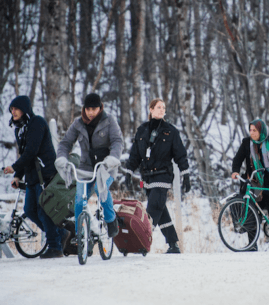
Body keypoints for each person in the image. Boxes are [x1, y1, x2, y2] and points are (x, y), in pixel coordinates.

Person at [3, 95, 69, 258]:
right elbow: (25, 154)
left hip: (45, 175)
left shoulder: (37, 123)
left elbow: (32, 151)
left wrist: (14, 167)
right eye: (11, 109)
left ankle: (55, 247)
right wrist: (18, 176)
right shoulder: (20, 129)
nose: (13, 112)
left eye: (16, 108)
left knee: (44, 210)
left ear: (25, 109)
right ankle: (61, 234)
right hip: (33, 177)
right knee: (30, 210)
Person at [125, 98, 190, 254]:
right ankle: (173, 244)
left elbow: (180, 154)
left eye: (164, 108)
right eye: (159, 107)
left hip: (163, 175)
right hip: (147, 177)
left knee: (154, 206)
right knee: (161, 211)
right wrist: (128, 172)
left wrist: (185, 174)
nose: (162, 110)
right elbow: (135, 154)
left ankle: (142, 239)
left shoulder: (171, 131)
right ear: (151, 109)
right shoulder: (142, 130)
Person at [55, 93, 122, 238]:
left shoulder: (109, 120)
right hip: (85, 168)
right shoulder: (78, 123)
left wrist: (112, 159)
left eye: (94, 109)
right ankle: (80, 236)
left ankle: (111, 220)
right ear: (84, 109)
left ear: (100, 108)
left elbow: (117, 141)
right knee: (79, 200)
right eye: (88, 109)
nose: (91, 112)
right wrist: (61, 158)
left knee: (100, 188)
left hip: (106, 167)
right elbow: (66, 143)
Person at [231, 119, 269, 251]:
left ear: (261, 131)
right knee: (249, 210)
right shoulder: (246, 143)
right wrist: (235, 171)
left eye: (255, 130)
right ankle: (252, 245)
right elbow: (237, 159)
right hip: (254, 184)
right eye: (250, 130)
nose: (251, 133)